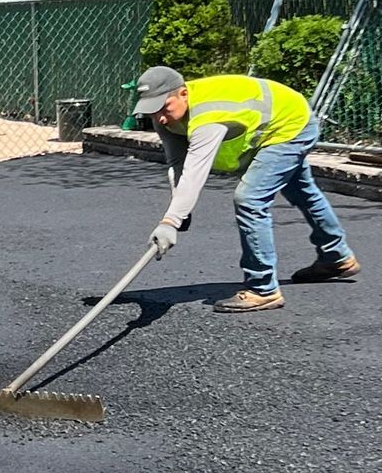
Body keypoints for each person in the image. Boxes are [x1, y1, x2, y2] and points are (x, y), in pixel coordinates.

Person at [131, 63, 358, 314]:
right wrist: (179, 209)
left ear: (182, 93)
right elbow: (177, 163)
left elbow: (195, 172)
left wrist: (170, 221)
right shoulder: (167, 119)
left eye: (164, 107)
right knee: (301, 190)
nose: (159, 117)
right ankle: (336, 256)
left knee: (249, 198)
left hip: (290, 124)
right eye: (152, 111)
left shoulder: (208, 117)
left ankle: (263, 289)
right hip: (278, 119)